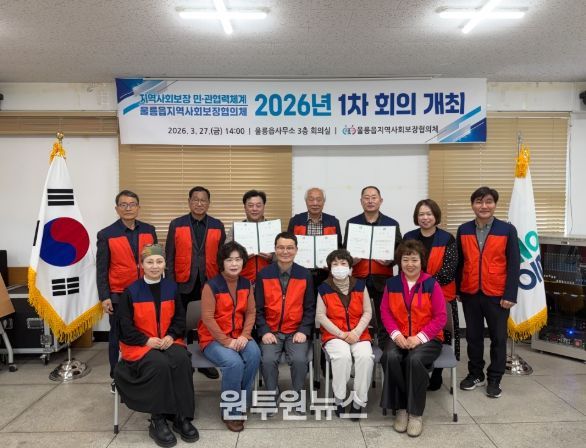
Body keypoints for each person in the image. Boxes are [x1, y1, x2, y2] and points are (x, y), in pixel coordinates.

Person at [114, 244, 198, 447]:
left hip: (168, 340)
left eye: (159, 261)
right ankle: (157, 419)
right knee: (159, 364)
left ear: (165, 264)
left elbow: (180, 318)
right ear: (141, 265)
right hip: (139, 345)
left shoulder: (172, 287)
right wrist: (146, 340)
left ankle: (180, 416)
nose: (154, 266)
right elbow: (124, 326)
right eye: (149, 262)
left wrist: (171, 335)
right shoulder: (131, 291)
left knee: (181, 359)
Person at [457, 187, 520, 398]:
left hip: (498, 294)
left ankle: (494, 378)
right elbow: (460, 262)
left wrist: (510, 294)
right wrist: (458, 289)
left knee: (498, 338)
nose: (484, 206)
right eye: (479, 202)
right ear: (472, 205)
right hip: (470, 292)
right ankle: (476, 374)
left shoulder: (507, 230)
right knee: (473, 337)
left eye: (488, 201)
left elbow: (514, 264)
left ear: (495, 204)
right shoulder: (463, 229)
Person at [380, 240, 446, 437]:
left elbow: (440, 317)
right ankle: (401, 408)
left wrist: (419, 337)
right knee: (390, 356)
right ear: (399, 262)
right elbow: (385, 312)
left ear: (421, 261)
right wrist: (396, 334)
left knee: (414, 359)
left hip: (428, 338)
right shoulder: (391, 284)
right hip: (399, 335)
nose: (410, 264)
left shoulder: (431, 284)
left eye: (414, 259)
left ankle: (415, 414)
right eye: (405, 259)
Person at [96, 190, 157, 392]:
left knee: (144, 333)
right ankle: (116, 376)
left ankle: (142, 372)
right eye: (123, 204)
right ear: (117, 209)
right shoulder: (106, 234)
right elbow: (102, 268)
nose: (128, 208)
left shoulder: (149, 230)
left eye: (132, 204)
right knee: (116, 336)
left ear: (138, 207)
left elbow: (155, 261)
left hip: (145, 291)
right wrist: (105, 296)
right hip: (118, 293)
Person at [199, 242, 261, 432]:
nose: (234, 264)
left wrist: (245, 335)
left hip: (239, 334)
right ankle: (230, 411)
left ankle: (241, 402)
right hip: (213, 338)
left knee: (254, 354)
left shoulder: (246, 284)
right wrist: (227, 341)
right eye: (229, 260)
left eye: (238, 259)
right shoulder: (211, 286)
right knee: (234, 363)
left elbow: (251, 312)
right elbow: (207, 318)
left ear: (243, 262)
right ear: (222, 263)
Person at [166, 186, 226, 379]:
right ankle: (183, 359)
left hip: (209, 282)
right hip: (182, 281)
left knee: (206, 321)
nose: (199, 203)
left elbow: (222, 257)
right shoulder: (177, 224)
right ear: (189, 202)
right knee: (181, 322)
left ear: (209, 203)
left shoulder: (217, 225)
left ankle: (204, 361)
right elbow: (169, 256)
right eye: (195, 200)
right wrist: (170, 284)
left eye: (203, 200)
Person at [255, 232, 316, 414]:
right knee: (267, 360)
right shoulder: (263, 274)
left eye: (290, 248)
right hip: (271, 331)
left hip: (295, 331)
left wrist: (303, 330)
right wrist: (264, 331)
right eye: (281, 247)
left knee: (299, 360)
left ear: (296, 250)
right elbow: (257, 308)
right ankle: (271, 394)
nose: (285, 251)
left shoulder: (305, 274)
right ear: (275, 249)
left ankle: (297, 396)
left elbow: (310, 308)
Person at [403, 199, 459, 391]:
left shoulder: (447, 238)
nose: (425, 218)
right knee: (414, 332)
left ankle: (437, 376)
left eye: (429, 214)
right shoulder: (409, 237)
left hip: (442, 295)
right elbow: (405, 265)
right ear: (416, 217)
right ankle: (417, 369)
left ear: (436, 216)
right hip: (413, 296)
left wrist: (425, 285)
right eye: (421, 214)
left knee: (441, 335)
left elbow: (449, 270)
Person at [316, 248, 374, 420]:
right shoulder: (324, 288)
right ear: (329, 268)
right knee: (342, 357)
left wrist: (356, 332)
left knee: (365, 357)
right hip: (334, 335)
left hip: (359, 334)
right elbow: (320, 316)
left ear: (350, 267)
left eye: (343, 263)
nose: (339, 267)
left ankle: (358, 402)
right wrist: (342, 334)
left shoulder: (360, 286)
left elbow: (367, 312)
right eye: (335, 264)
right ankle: (339, 398)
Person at [343, 186, 402, 340]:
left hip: (383, 278)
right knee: (357, 316)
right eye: (366, 198)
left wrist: (390, 261)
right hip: (358, 277)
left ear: (380, 200)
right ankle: (361, 344)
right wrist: (351, 260)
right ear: (361, 201)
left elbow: (400, 251)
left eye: (374, 197)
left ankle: (385, 348)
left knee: (385, 316)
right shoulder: (353, 223)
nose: (370, 201)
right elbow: (344, 250)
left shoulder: (391, 223)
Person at [288, 187, 343, 299]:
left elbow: (339, 248)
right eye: (311, 199)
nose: (315, 203)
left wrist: (333, 263)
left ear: (324, 202)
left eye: (318, 199)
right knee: (303, 303)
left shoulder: (333, 221)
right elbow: (289, 245)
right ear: (306, 201)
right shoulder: (295, 221)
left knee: (325, 303)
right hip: (301, 273)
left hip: (326, 274)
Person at [236, 190, 273, 283]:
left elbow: (284, 253)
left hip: (269, 280)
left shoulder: (273, 228)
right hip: (242, 280)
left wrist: (272, 258)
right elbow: (226, 255)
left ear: (264, 207)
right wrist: (240, 257)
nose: (254, 209)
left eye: (258, 205)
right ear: (245, 207)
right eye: (250, 205)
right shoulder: (237, 228)